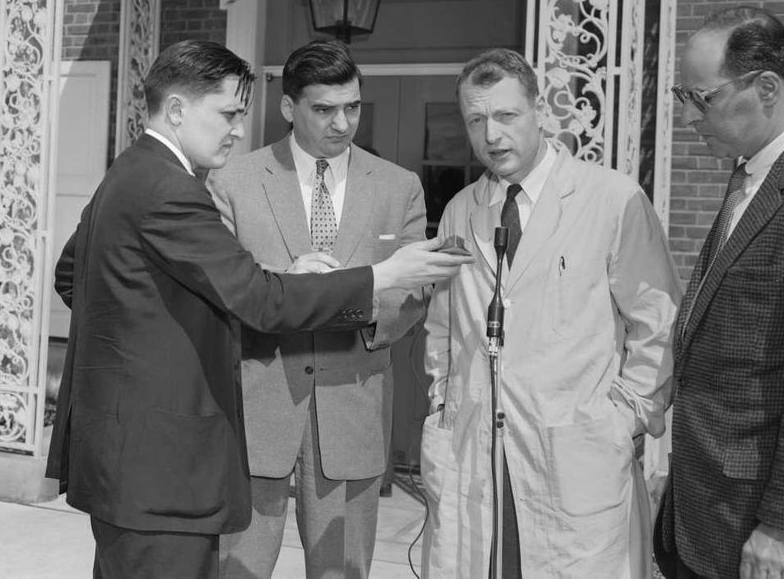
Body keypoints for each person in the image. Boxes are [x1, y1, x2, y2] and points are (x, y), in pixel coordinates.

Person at [45, 40, 471, 579]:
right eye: (227, 114)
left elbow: (78, 277)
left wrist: (153, 335)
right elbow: (257, 299)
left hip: (155, 450)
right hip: (170, 453)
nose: (236, 129)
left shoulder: (127, 173)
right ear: (177, 109)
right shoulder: (178, 188)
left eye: (353, 107)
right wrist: (380, 276)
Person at [419, 49, 680, 578]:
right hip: (477, 445)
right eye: (476, 120)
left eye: (507, 116)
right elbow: (442, 330)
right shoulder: (460, 209)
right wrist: (442, 402)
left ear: (541, 112)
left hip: (574, 449)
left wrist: (628, 415)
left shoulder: (612, 198)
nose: (492, 135)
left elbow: (658, 321)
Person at [208, 40, 428, 579]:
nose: (342, 123)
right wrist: (289, 285)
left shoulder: (400, 187)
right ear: (289, 108)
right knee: (237, 570)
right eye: (324, 109)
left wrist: (358, 305)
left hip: (351, 410)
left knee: (343, 573)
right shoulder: (232, 182)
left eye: (352, 107)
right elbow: (220, 289)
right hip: (257, 409)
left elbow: (414, 292)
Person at [654, 7, 784, 579]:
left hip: (754, 516)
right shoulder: (750, 174)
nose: (688, 117)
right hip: (704, 498)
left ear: (765, 87)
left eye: (701, 98)